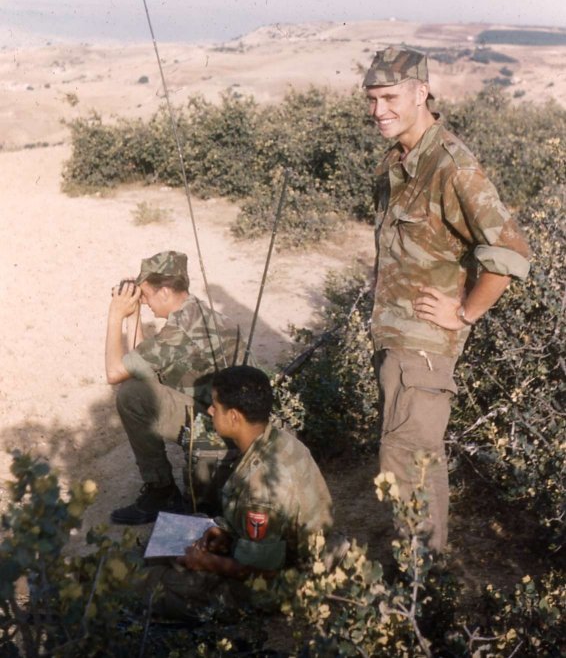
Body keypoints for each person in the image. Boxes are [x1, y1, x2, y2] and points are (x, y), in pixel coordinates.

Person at [363, 46, 531, 552]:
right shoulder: (400, 159)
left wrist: (465, 312)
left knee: (406, 459)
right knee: (412, 455)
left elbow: (510, 251)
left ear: (421, 93)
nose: (378, 110)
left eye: (389, 97)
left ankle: (417, 585)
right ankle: (422, 571)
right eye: (371, 99)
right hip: (396, 338)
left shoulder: (451, 165)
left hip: (424, 348)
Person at [143, 366, 335, 619]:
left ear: (233, 416)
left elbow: (261, 571)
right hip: (292, 552)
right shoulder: (277, 440)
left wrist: (210, 564)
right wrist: (226, 532)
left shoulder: (261, 489)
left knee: (151, 584)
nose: (210, 411)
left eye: (215, 406)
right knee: (166, 544)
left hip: (281, 584)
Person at [105, 250, 244, 525]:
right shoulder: (195, 312)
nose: (144, 302)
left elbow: (114, 372)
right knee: (139, 385)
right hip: (233, 421)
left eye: (145, 295)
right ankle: (163, 490)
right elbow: (141, 366)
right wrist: (133, 317)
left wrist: (115, 316)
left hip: (223, 439)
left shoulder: (179, 332)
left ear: (165, 292)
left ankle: (162, 492)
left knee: (131, 396)